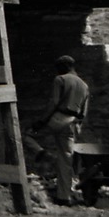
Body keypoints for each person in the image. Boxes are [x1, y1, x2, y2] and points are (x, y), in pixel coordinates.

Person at [38, 55, 90, 206]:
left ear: (64, 66)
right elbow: (83, 113)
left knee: (27, 134)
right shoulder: (84, 85)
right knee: (66, 157)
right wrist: (77, 126)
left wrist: (42, 121)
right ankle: (64, 194)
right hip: (72, 122)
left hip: (59, 118)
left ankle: (42, 154)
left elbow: (53, 103)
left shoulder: (60, 80)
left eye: (59, 68)